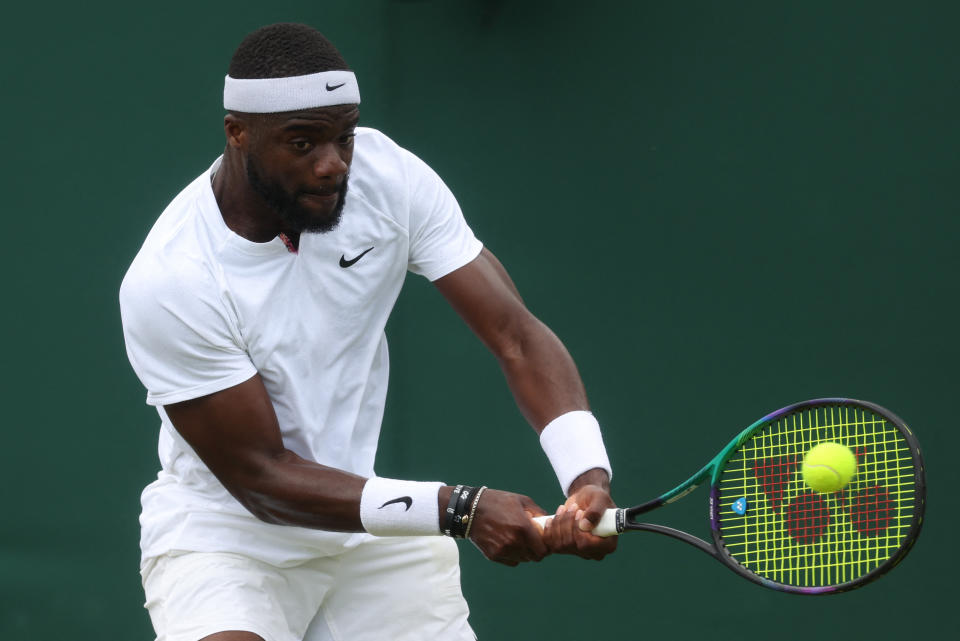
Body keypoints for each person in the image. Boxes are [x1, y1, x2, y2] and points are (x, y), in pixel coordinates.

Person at [119, 22, 616, 641]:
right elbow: (263, 478)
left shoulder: (389, 177)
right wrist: (456, 508)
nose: (333, 166)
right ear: (238, 132)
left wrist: (586, 477)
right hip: (228, 536)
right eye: (303, 144)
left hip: (372, 531)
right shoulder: (172, 279)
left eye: (344, 138)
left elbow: (515, 333)